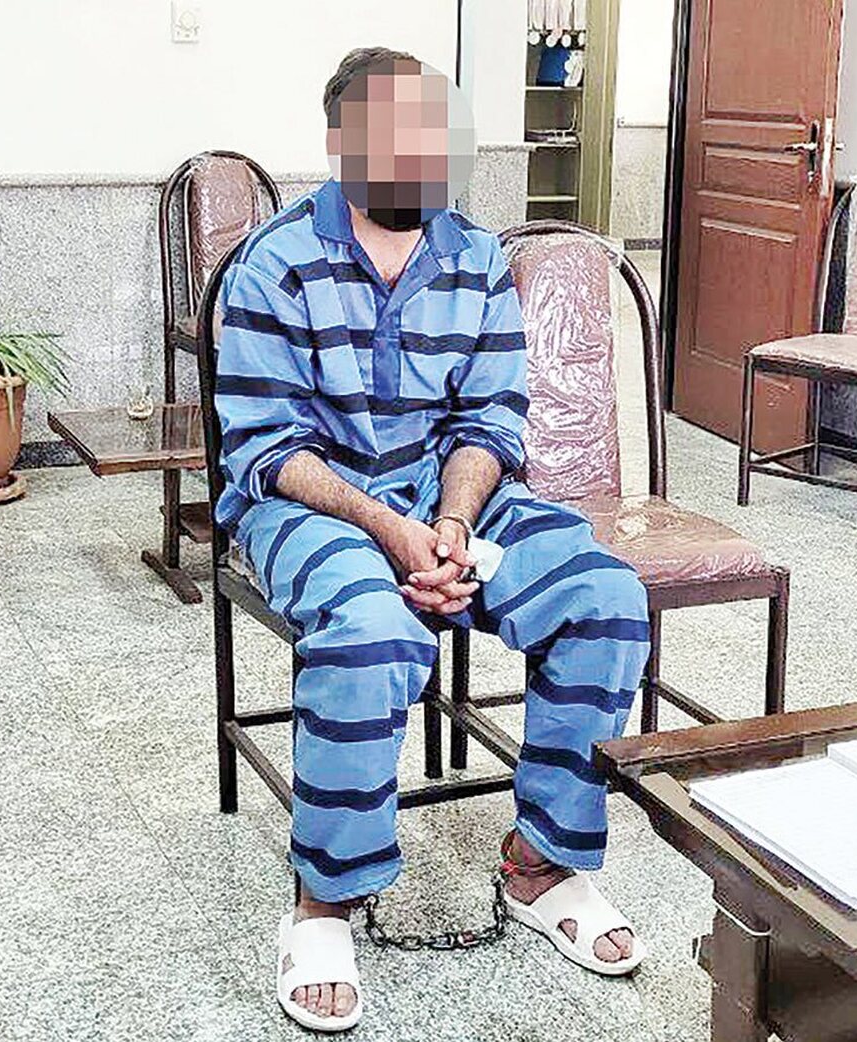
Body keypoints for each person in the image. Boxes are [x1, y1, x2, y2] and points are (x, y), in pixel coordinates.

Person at [214, 46, 651, 1033]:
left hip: (444, 494)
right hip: (311, 502)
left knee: (604, 597)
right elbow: (267, 446)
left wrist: (449, 523)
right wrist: (389, 530)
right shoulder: (274, 263)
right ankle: (323, 901)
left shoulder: (475, 258)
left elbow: (490, 421)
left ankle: (543, 864)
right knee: (373, 631)